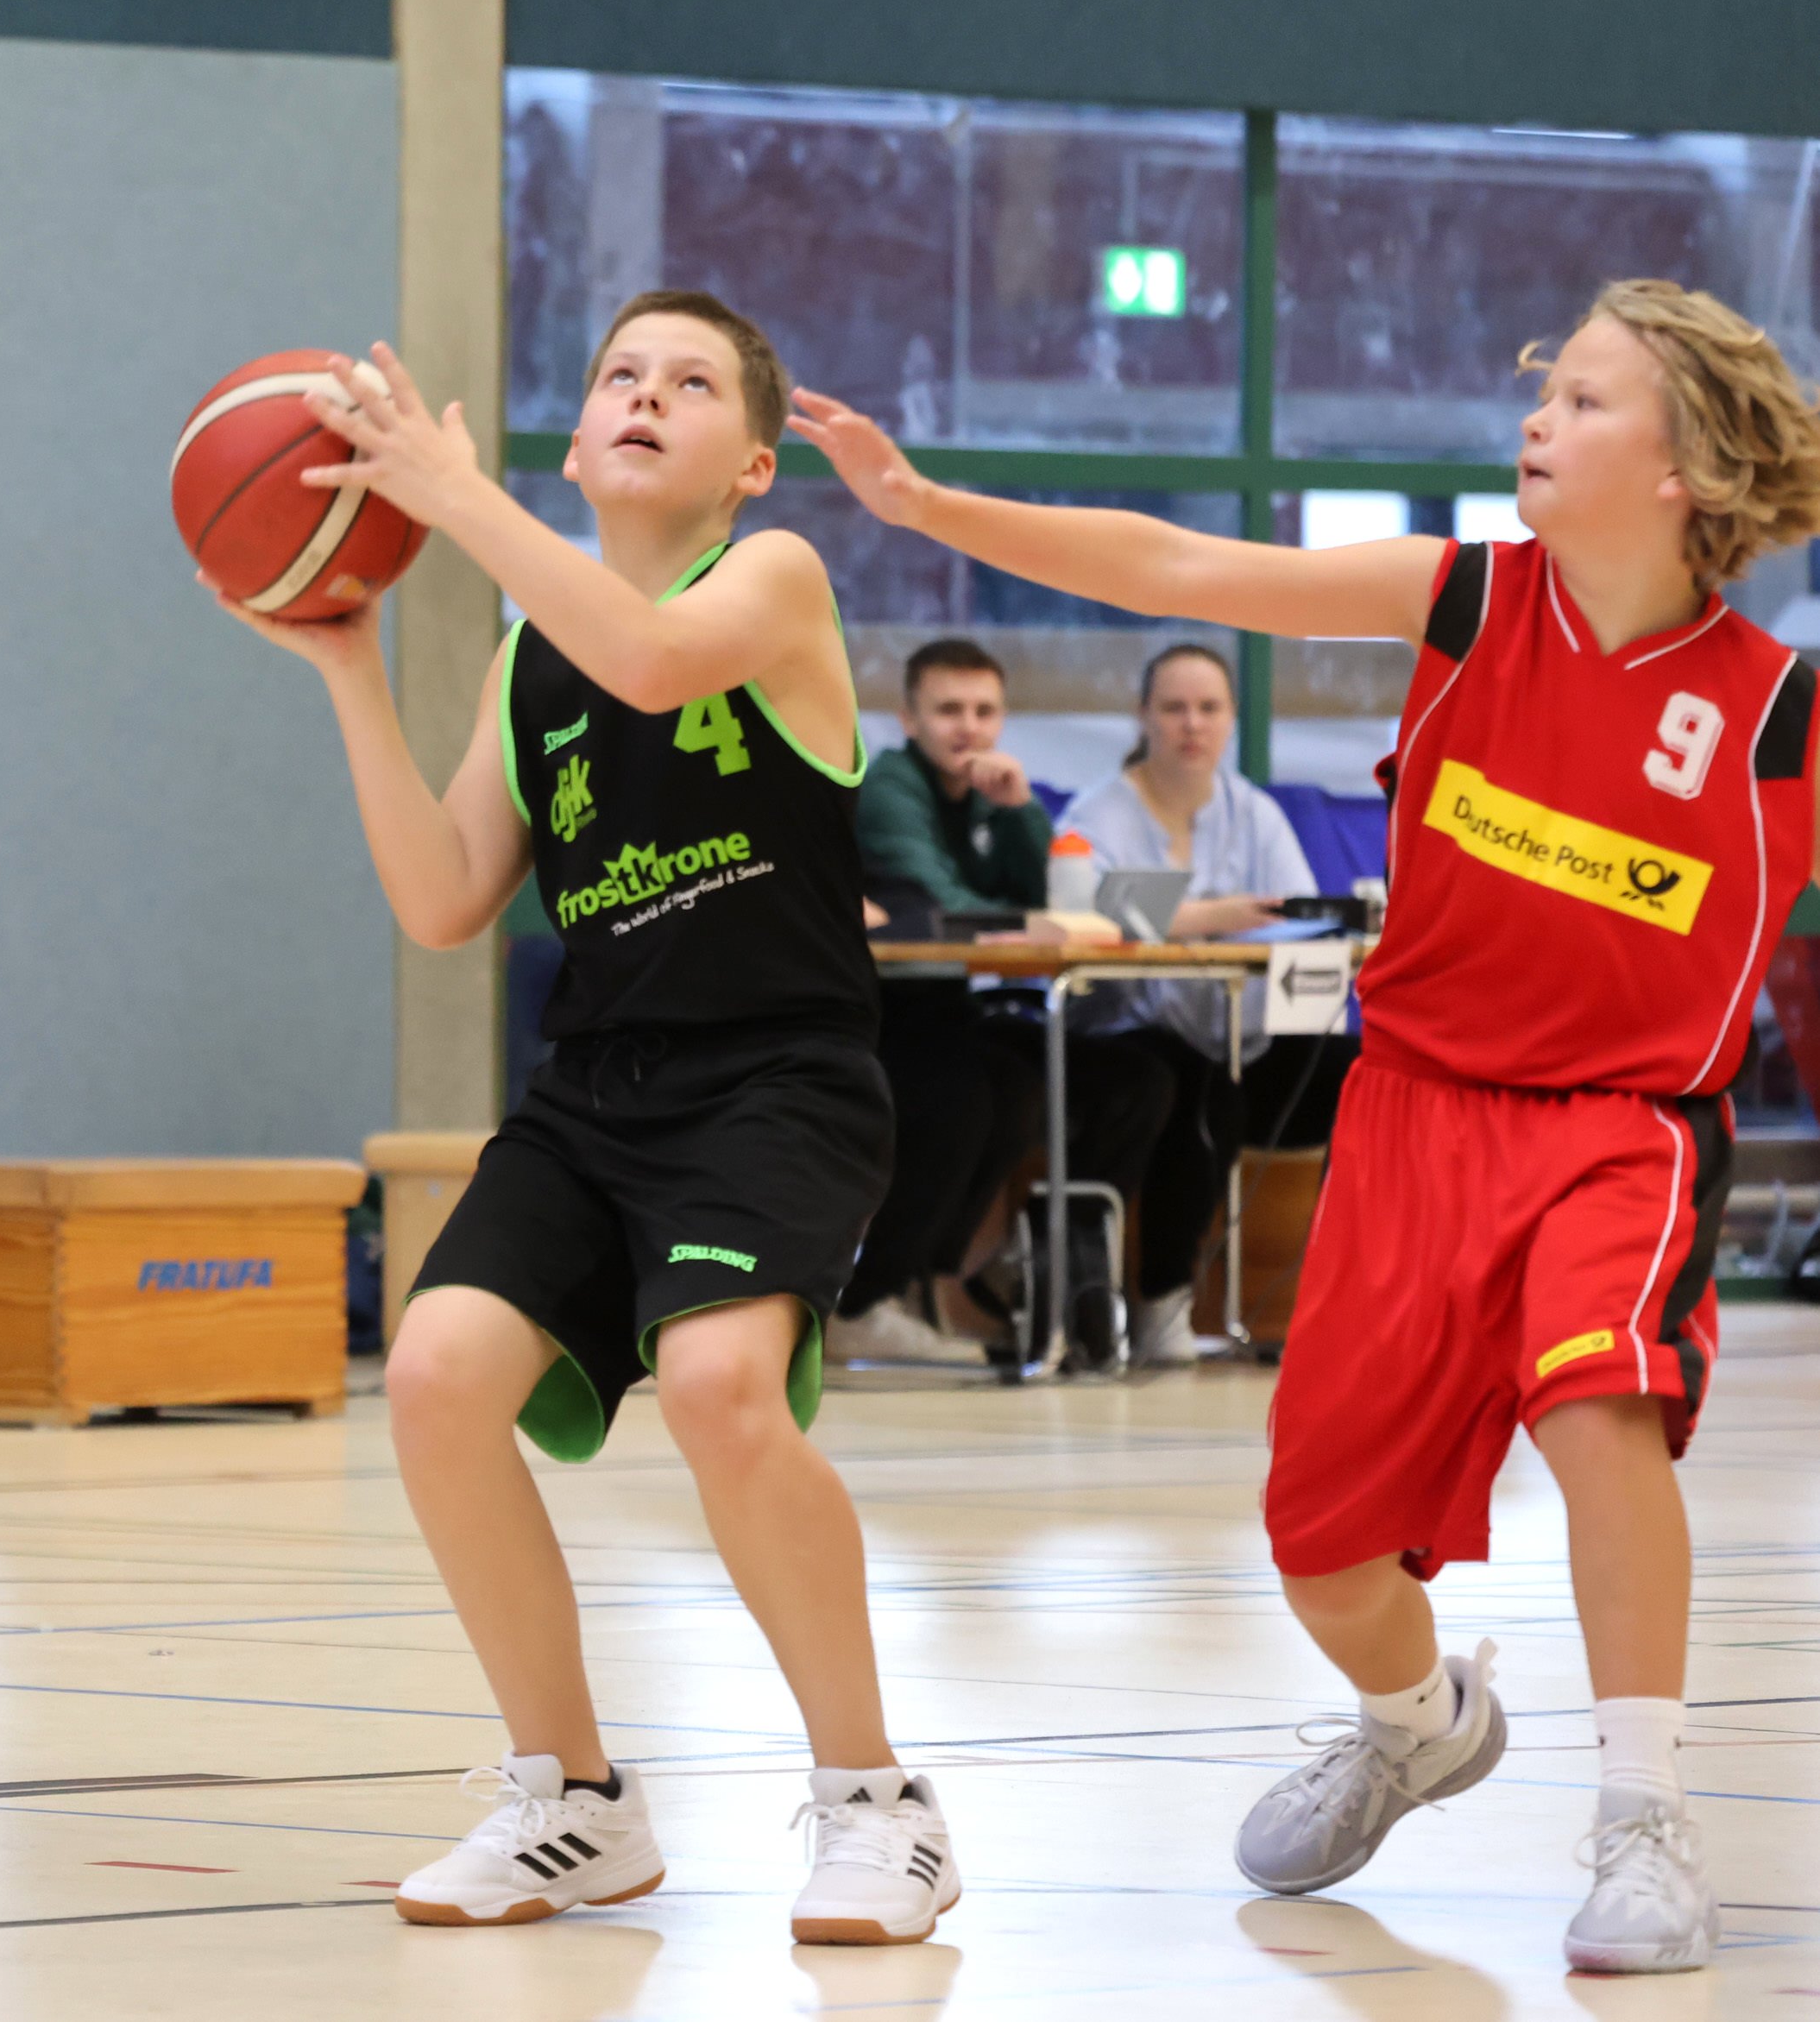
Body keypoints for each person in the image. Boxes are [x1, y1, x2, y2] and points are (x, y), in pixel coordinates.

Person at [795, 276, 1820, 1975]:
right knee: (1323, 1550)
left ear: (1686, 465)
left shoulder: (1777, 711)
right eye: (1543, 387)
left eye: (1580, 399)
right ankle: (1415, 1722)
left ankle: (1644, 1818)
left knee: (1602, 1414)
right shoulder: (1466, 601)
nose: (1534, 418)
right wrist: (924, 505)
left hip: (1620, 1126)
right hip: (1410, 1117)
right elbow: (1176, 567)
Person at [236, 294, 958, 1947]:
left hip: (777, 1076)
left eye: (689, 383)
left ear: (752, 464)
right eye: (621, 374)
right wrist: (349, 666)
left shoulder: (774, 581)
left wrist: (451, 497)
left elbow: (650, 657)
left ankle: (876, 1798)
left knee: (719, 1385)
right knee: (434, 1376)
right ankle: (573, 1794)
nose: (646, 394)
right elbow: (442, 897)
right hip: (598, 1090)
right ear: (578, 441)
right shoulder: (525, 656)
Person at [838, 640, 1175, 1366]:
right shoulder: (891, 786)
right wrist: (1031, 921)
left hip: (955, 1012)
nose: (969, 727)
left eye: (984, 711)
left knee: (1136, 1079)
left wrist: (1020, 810)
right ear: (909, 719)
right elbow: (937, 905)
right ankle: (868, 1300)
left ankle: (1053, 1276)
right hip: (879, 1017)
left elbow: (1057, 892)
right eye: (948, 710)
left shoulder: (990, 795)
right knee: (971, 1094)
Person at [1049, 642, 1334, 1366]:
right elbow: (1090, 914)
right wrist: (1218, 915)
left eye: (1208, 708)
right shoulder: (1097, 813)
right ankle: (1164, 1302)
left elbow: (1299, 913)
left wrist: (1195, 917)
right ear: (1143, 715)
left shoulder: (1255, 813)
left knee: (1356, 1070)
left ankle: (1342, 1296)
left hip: (1240, 1031)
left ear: (1232, 718)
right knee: (1197, 1084)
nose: (1192, 725)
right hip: (1124, 1032)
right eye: (1174, 708)